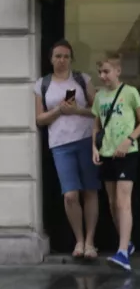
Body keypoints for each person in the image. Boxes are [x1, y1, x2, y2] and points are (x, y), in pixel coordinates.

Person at [34, 40, 101, 260]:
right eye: (57, 56)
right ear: (50, 59)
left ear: (71, 59)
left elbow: (97, 111)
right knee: (70, 195)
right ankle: (79, 240)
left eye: (65, 56)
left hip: (85, 140)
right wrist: (58, 111)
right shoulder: (42, 84)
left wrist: (76, 110)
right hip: (60, 144)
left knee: (90, 190)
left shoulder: (83, 80)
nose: (62, 60)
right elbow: (40, 118)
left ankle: (90, 242)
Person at [91, 53, 140, 272]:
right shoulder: (99, 97)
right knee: (113, 203)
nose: (103, 76)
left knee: (123, 201)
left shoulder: (130, 93)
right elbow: (96, 125)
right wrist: (94, 148)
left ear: (117, 71)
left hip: (127, 153)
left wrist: (129, 139)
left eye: (106, 71)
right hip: (106, 152)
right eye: (100, 72)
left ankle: (122, 251)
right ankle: (127, 243)